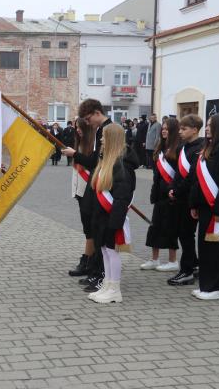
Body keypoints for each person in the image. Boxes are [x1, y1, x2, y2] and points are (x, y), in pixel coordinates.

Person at [62, 99, 114, 293]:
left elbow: (96, 161)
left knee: (102, 234)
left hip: (104, 186)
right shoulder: (101, 130)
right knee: (95, 231)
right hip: (96, 184)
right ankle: (96, 271)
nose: (87, 122)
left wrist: (75, 154)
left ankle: (102, 275)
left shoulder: (109, 130)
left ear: (97, 112)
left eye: (87, 118)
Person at [88, 124, 138, 303]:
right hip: (102, 216)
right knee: (104, 251)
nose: (101, 139)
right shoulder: (107, 161)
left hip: (111, 218)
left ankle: (115, 289)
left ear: (112, 139)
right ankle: (107, 285)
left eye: (104, 136)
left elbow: (121, 198)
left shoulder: (121, 165)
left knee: (112, 252)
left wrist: (115, 223)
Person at [189, 114, 219, 300]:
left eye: (210, 125)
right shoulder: (209, 148)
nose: (206, 129)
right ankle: (206, 286)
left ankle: (216, 288)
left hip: (216, 209)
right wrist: (194, 204)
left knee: (215, 248)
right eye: (206, 125)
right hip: (205, 207)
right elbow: (198, 181)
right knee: (205, 247)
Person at [167, 114, 204, 285]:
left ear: (195, 130)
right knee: (183, 234)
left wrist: (177, 191)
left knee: (186, 234)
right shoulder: (183, 147)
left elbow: (192, 176)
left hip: (191, 199)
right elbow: (177, 173)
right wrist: (172, 188)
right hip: (180, 197)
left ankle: (187, 270)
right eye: (180, 128)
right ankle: (193, 264)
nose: (180, 132)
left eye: (184, 129)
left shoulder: (200, 148)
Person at [141, 118, 180, 271]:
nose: (164, 131)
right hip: (159, 195)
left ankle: (173, 261)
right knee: (155, 227)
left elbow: (179, 174)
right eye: (163, 128)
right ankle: (154, 259)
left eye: (167, 129)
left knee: (170, 228)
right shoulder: (160, 149)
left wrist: (173, 190)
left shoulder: (178, 149)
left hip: (171, 196)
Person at [69, 117, 95, 277]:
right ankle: (89, 259)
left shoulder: (92, 145)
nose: (78, 130)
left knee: (90, 228)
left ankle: (88, 260)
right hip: (80, 191)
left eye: (80, 127)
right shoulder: (79, 144)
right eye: (76, 127)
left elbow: (91, 165)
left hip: (89, 191)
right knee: (87, 227)